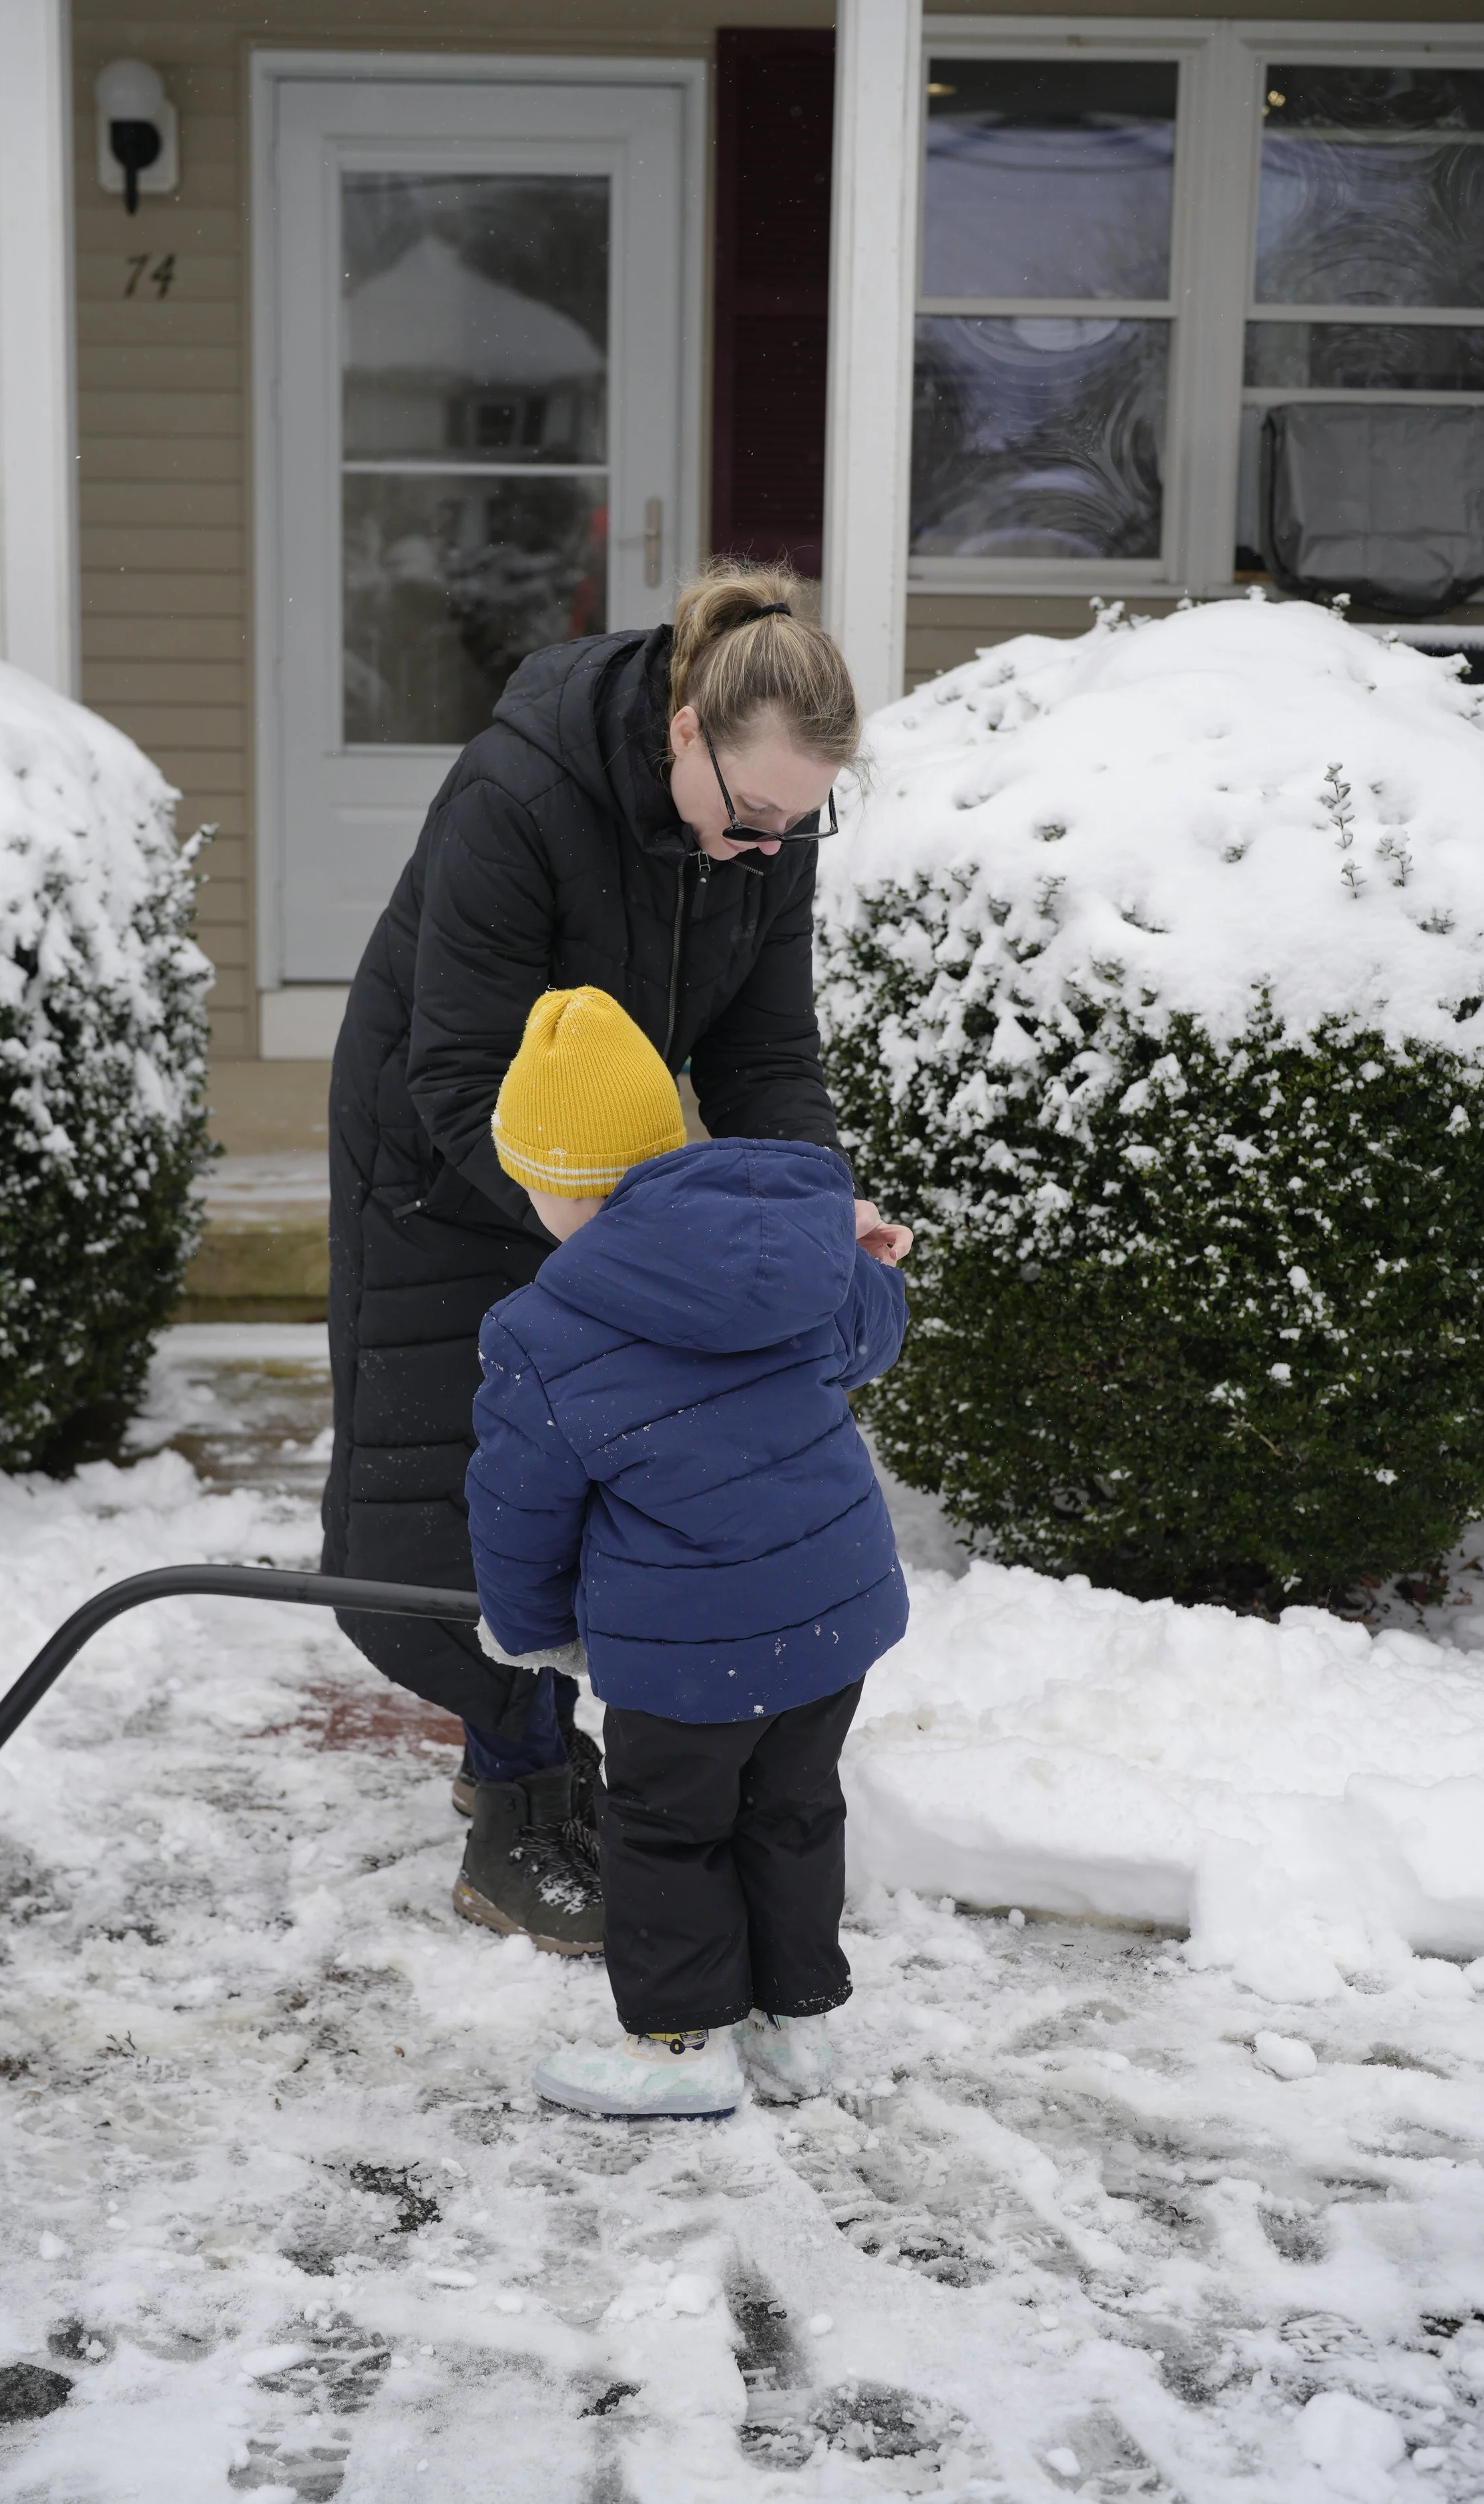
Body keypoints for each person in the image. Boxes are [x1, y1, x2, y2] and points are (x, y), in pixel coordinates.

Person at [323, 558, 908, 1951]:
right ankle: (516, 1796)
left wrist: (813, 1208)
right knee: (470, 1483)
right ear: (684, 731)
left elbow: (765, 1049)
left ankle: (553, 1753)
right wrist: (615, 1241)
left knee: (619, 1454)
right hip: (438, 1156)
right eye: (751, 816)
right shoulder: (518, 795)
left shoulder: (762, 824)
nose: (768, 846)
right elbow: (454, 1067)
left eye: (798, 824)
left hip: (603, 1173)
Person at [466, 988, 912, 2116]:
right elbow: (872, 1339)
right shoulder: (788, 1247)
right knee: (793, 1808)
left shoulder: (541, 1331)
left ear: (561, 1186)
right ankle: (793, 2028)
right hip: (829, 1615)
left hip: (687, 1649)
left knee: (668, 1831)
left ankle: (678, 2046)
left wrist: (530, 1629)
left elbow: (518, 1506)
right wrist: (866, 1259)